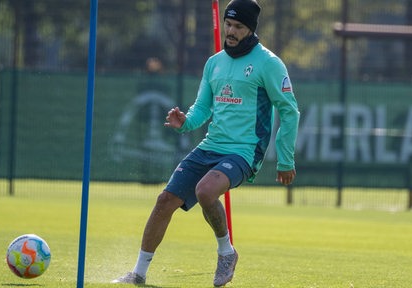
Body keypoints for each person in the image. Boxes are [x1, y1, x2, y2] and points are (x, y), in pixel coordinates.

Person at [112, 0, 299, 286]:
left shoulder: (269, 63)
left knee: (205, 190)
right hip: (211, 146)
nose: (231, 31)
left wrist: (285, 159)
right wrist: (185, 121)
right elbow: (203, 107)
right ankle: (137, 274)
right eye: (228, 24)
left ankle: (226, 252)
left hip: (245, 151)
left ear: (250, 29)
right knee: (164, 201)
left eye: (238, 26)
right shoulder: (214, 63)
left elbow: (289, 111)